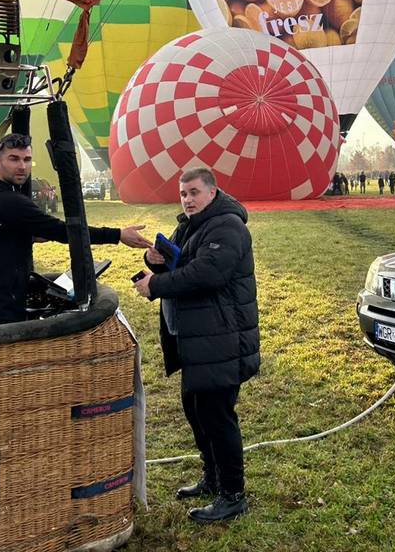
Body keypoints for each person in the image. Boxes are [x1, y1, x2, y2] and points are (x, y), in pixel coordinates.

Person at [133, 168, 258, 523]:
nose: (187, 199)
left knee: (217, 416)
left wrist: (156, 286)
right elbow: (180, 259)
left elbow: (208, 273)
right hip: (198, 336)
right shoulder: (191, 223)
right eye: (183, 193)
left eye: (194, 192)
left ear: (213, 192)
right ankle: (213, 476)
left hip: (222, 335)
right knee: (196, 409)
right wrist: (153, 261)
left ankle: (233, 494)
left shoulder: (228, 227)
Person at [0, 133, 151, 329]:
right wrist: (118, 234)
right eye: (13, 159)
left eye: (27, 159)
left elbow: (0, 237)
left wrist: (27, 236)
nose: (22, 166)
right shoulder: (7, 201)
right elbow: (62, 231)